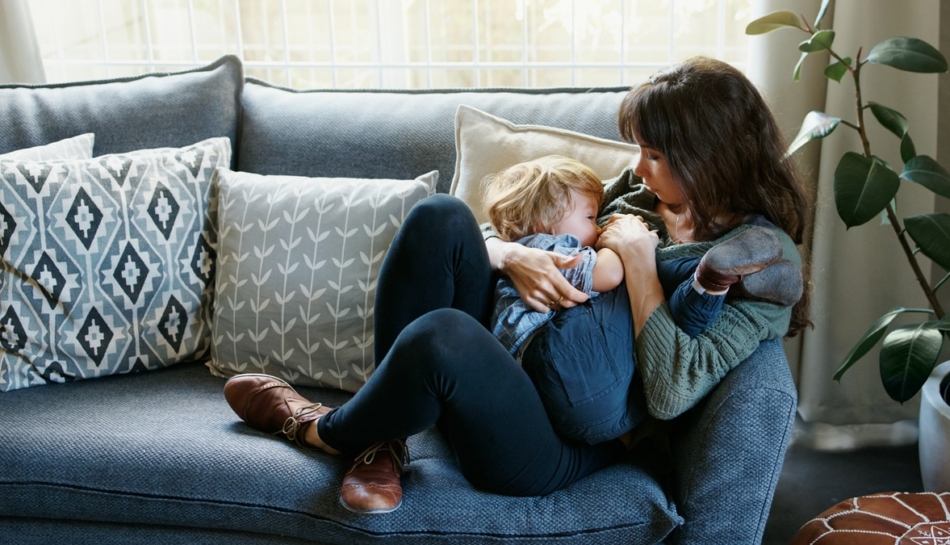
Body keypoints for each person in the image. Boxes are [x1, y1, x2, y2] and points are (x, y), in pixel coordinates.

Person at [221, 56, 810, 516]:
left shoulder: (754, 264)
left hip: (556, 437)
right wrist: (511, 256)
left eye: (653, 154)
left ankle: (320, 430)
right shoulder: (641, 196)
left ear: (709, 158)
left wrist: (636, 259)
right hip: (518, 349)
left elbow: (673, 391)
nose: (634, 168)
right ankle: (387, 443)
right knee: (441, 218)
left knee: (443, 335)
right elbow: (527, 225)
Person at [483, 154, 798, 444]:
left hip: (584, 380)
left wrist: (630, 247)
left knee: (667, 314)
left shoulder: (562, 227)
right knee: (649, 279)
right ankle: (715, 275)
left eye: (654, 154)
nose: (637, 167)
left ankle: (711, 283)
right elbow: (610, 273)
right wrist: (626, 244)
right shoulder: (550, 249)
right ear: (542, 221)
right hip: (559, 359)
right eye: (591, 218)